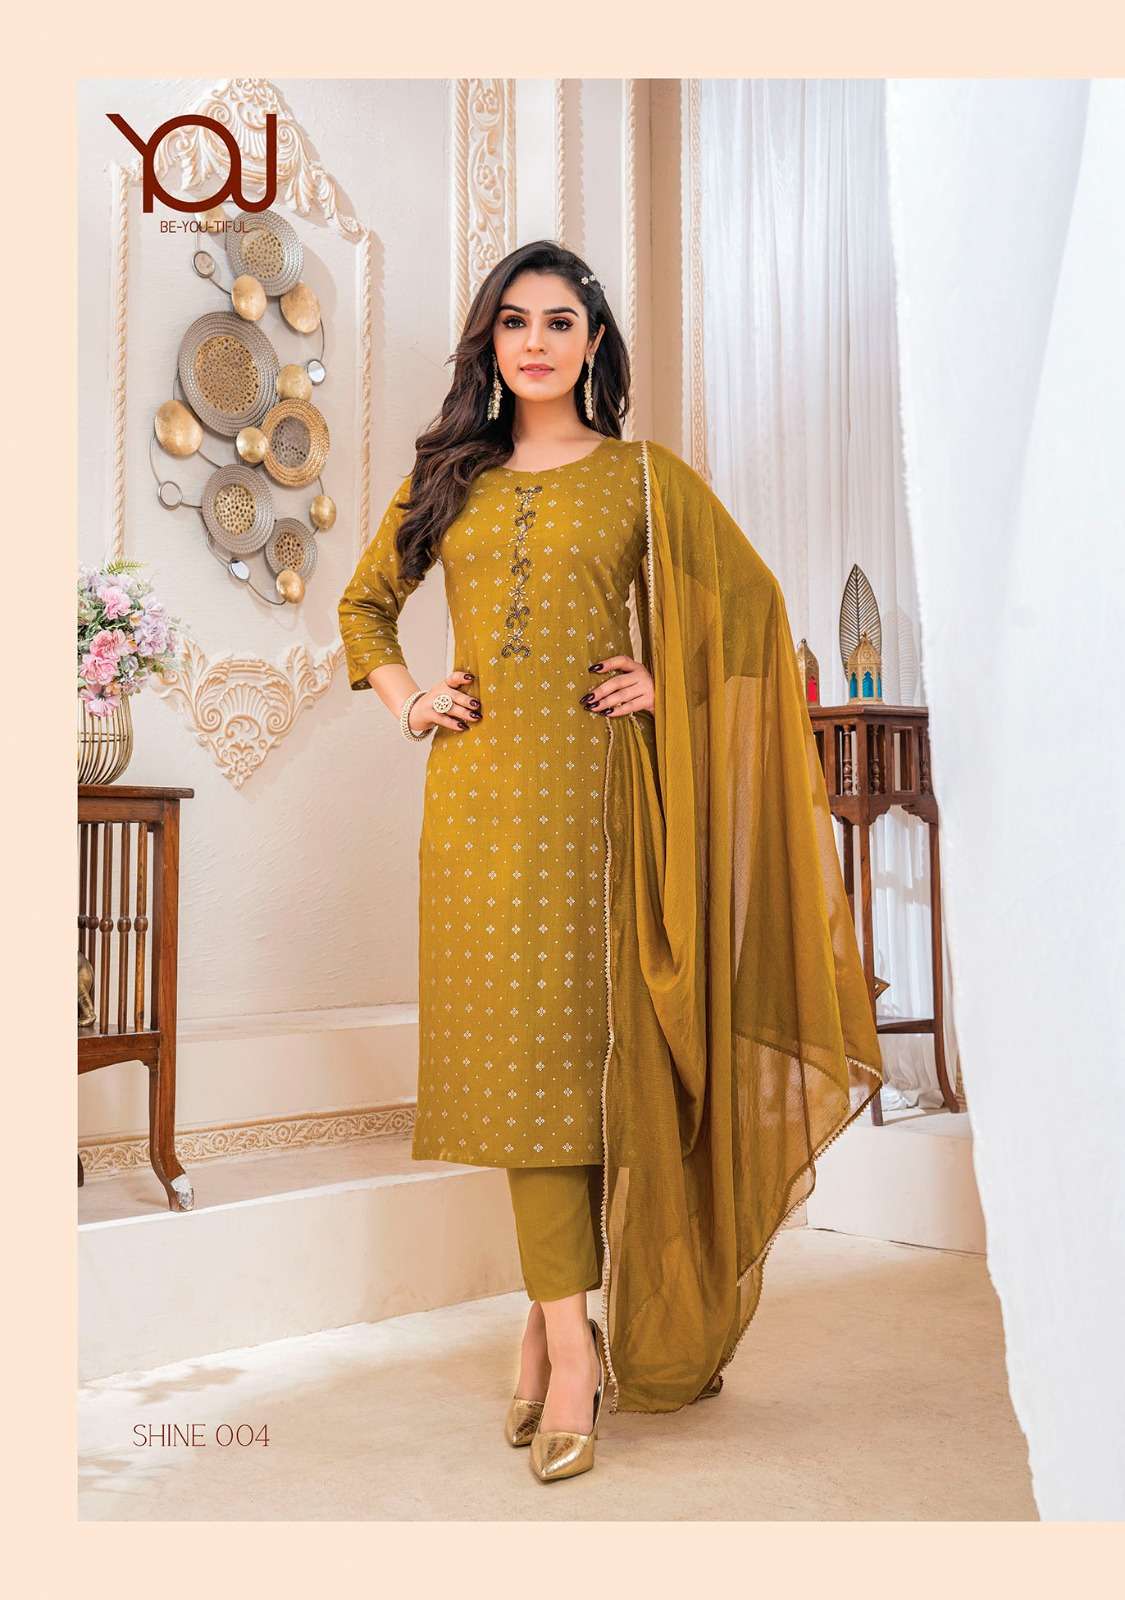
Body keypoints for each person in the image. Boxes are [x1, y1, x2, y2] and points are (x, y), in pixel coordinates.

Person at [338, 240, 882, 1485]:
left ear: (593, 345)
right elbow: (364, 606)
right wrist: (412, 701)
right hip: (478, 810)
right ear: (489, 343)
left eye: (560, 322)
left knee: (583, 1066)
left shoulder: (643, 478)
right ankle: (562, 1332)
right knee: (517, 1071)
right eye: (515, 321)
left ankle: (559, 1342)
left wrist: (663, 681)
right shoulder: (448, 480)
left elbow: (750, 612)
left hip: (599, 806)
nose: (536, 342)